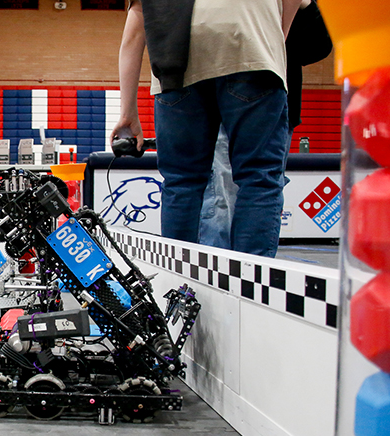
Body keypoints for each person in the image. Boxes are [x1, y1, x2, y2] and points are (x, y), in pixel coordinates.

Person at [112, 0, 303, 258]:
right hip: (249, 45)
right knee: (258, 178)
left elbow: (134, 32)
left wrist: (127, 114)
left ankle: (179, 286)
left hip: (175, 58)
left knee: (182, 182)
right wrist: (274, 40)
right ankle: (248, 288)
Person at [199, 0, 333, 249]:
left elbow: (317, 47)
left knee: (254, 189)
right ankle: (220, 274)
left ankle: (245, 275)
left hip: (272, 102)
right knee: (225, 196)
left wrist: (303, 6)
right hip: (228, 96)